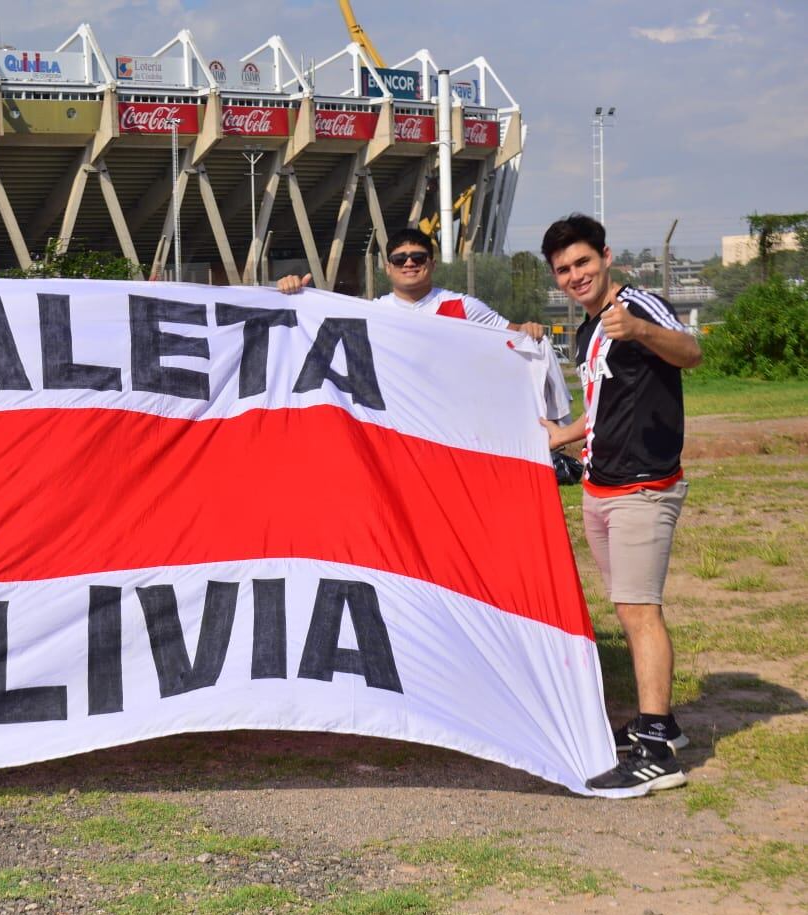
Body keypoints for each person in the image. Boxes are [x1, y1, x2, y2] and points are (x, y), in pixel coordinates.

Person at [539, 214, 701, 796]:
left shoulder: (637, 306)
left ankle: (657, 751)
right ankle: (664, 724)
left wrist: (637, 329)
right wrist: (562, 435)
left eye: (583, 262)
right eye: (564, 270)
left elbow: (690, 353)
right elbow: (604, 404)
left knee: (640, 610)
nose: (575, 275)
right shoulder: (588, 330)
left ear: (605, 256)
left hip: (643, 486)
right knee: (628, 609)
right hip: (600, 485)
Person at [277, 227, 548, 340]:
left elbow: (513, 333)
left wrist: (528, 329)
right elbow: (314, 326)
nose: (409, 264)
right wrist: (293, 295)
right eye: (400, 259)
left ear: (432, 263)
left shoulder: (463, 306)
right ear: (388, 267)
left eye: (418, 257)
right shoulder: (374, 312)